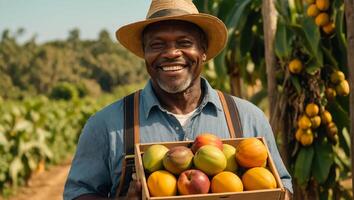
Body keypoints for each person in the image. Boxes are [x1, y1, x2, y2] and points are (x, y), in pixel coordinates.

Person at [63, 0, 293, 199]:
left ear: (203, 51)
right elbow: (77, 194)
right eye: (157, 44)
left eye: (184, 43)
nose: (171, 53)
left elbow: (283, 188)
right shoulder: (107, 125)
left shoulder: (247, 118)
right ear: (145, 54)